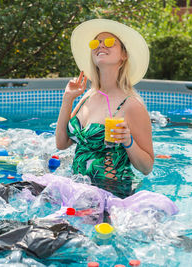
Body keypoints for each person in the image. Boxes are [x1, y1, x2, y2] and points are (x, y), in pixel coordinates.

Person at [55, 19, 154, 198]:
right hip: (78, 192)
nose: (100, 45)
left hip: (113, 195)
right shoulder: (87, 97)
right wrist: (67, 100)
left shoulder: (131, 105)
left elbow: (147, 167)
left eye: (109, 42)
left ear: (123, 55)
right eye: (96, 43)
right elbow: (62, 144)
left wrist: (128, 141)